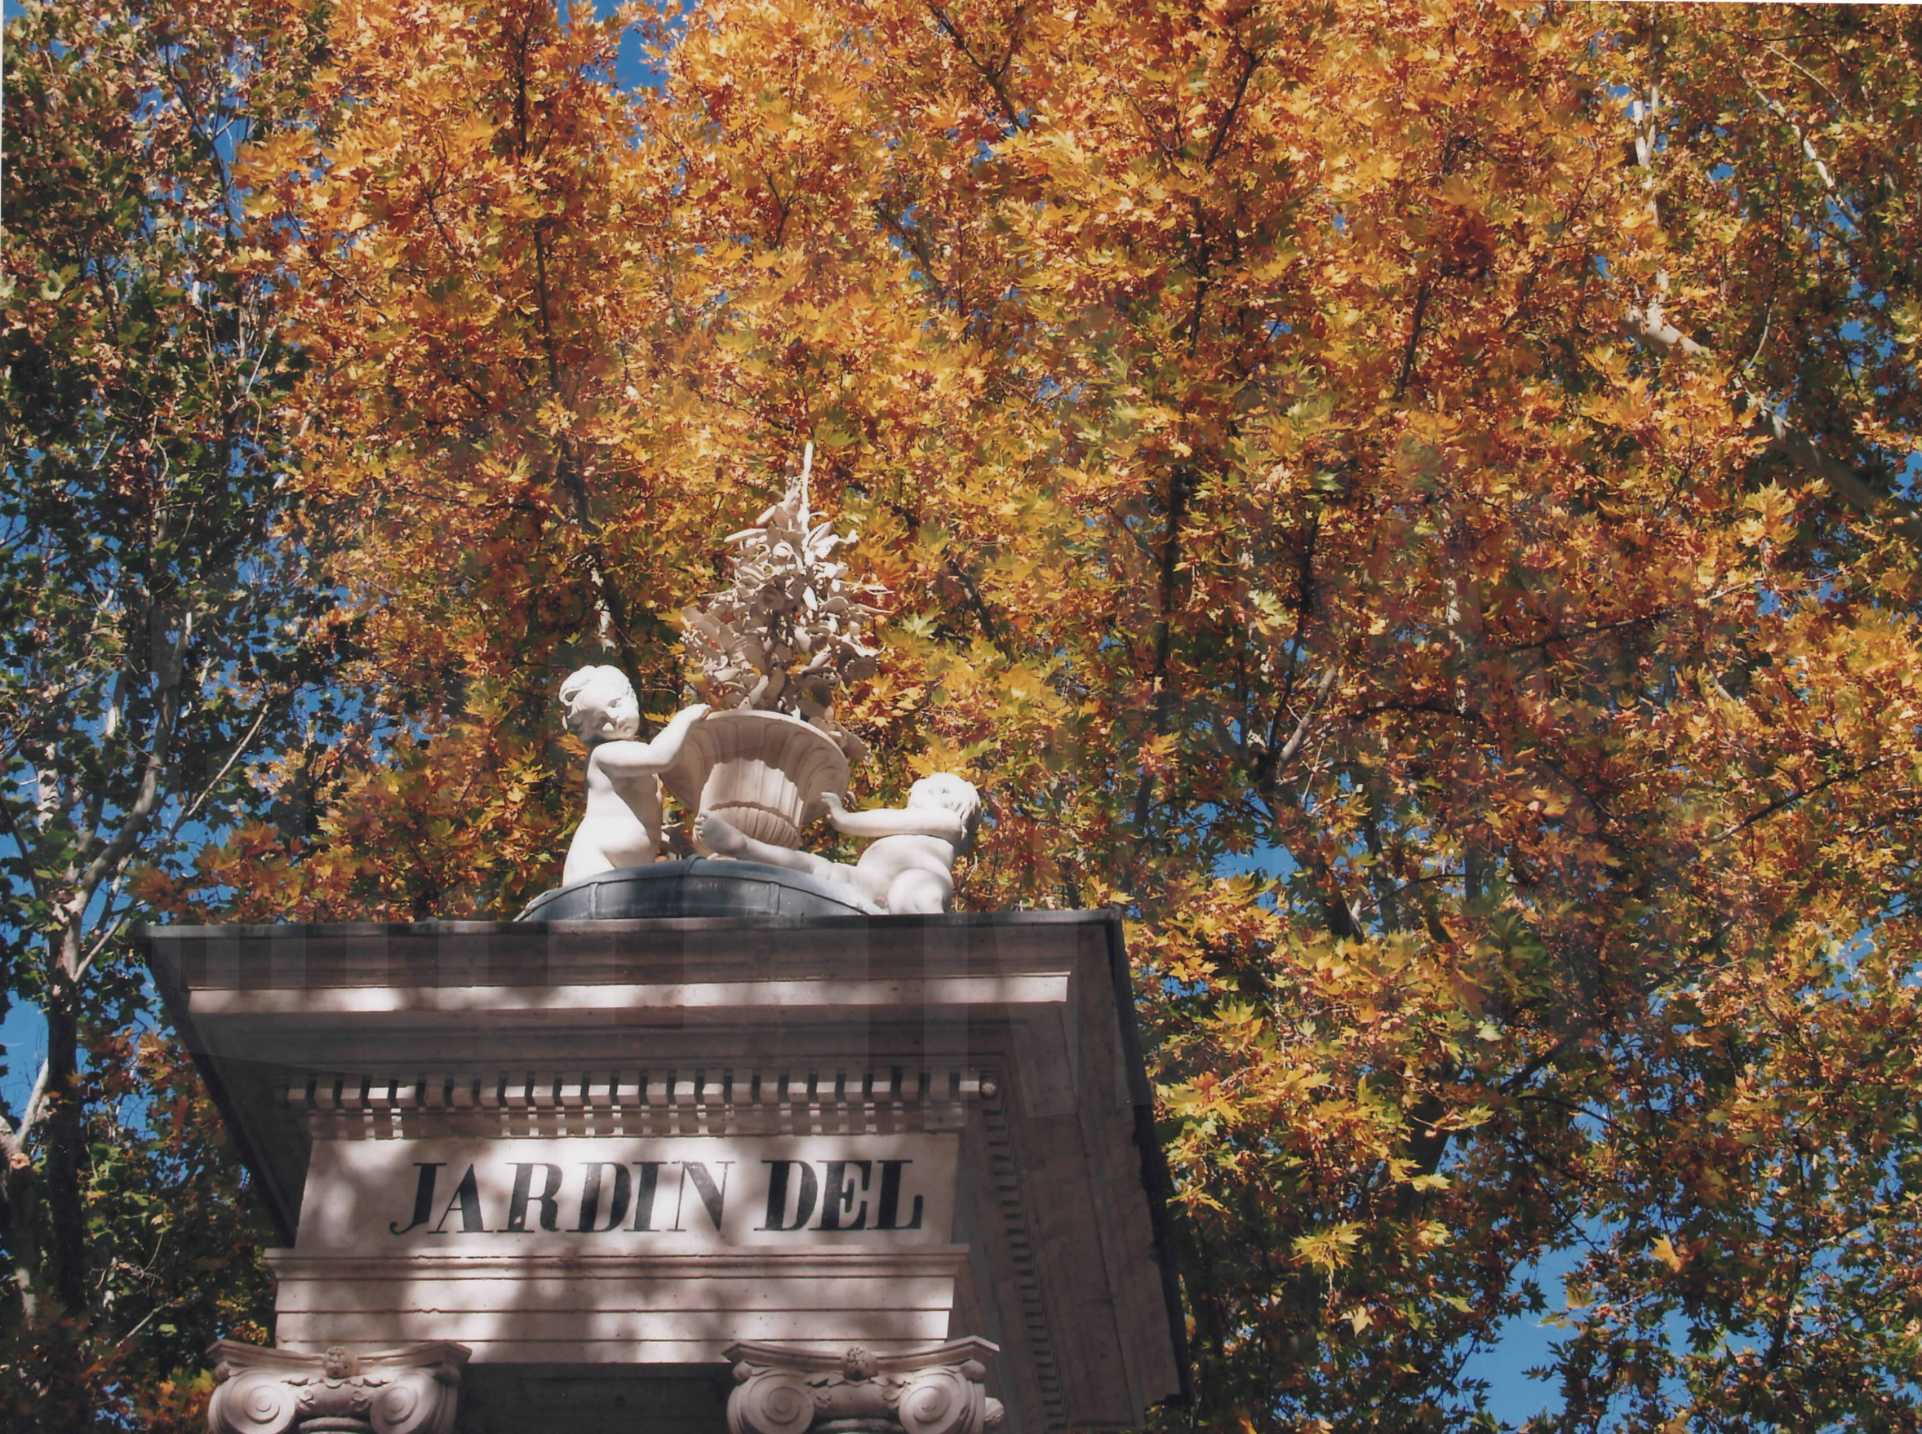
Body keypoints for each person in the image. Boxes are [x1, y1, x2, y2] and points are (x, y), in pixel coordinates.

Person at [694, 773, 981, 914]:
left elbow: (889, 819)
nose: (933, 791)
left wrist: (845, 820)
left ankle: (933, 941)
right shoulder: (914, 827)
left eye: (945, 791)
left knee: (910, 894)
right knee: (817, 869)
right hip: (871, 882)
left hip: (918, 878)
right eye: (932, 784)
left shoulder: (950, 823)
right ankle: (745, 846)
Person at [559, 665, 708, 885]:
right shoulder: (604, 754)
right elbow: (661, 757)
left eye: (615, 704)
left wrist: (661, 835)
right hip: (593, 865)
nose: (613, 717)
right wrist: (684, 719)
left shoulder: (631, 754)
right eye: (600, 722)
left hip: (625, 876)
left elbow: (630, 809)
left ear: (631, 696)